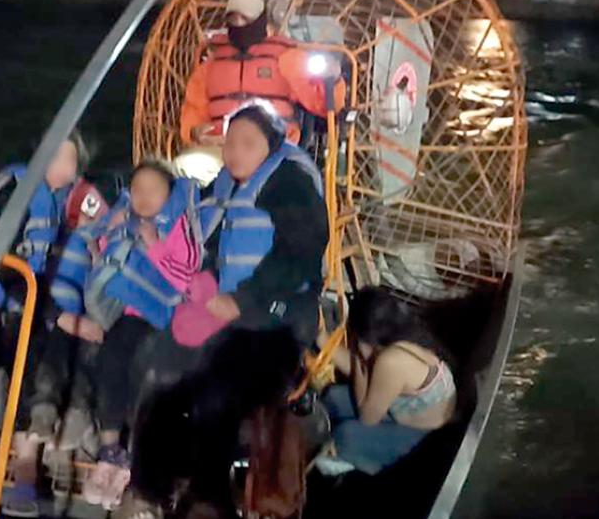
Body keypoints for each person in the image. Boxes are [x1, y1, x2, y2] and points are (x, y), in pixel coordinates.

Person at [122, 102, 330, 518]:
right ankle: (147, 485)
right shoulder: (228, 183)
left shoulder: (288, 182)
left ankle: (208, 498)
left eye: (248, 144)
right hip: (225, 317)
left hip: (277, 323)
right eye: (230, 142)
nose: (235, 152)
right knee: (157, 370)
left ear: (272, 145)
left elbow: (301, 252)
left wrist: (242, 300)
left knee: (217, 393)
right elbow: (206, 237)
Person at [0, 133, 107, 516]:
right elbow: (6, 258)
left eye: (70, 160)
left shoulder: (61, 201)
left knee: (29, 368)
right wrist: (55, 315)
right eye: (55, 156)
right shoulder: (16, 186)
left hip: (19, 303)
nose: (62, 166)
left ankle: (25, 470)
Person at [55, 160, 202, 510]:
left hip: (166, 314)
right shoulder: (125, 222)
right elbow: (111, 261)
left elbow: (187, 279)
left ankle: (137, 460)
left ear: (169, 194)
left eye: (153, 190)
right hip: (130, 314)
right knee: (110, 358)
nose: (144, 198)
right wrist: (102, 243)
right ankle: (109, 451)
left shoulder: (179, 226)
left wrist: (153, 245)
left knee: (147, 370)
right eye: (137, 191)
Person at [318, 287, 457, 475]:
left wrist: (359, 358)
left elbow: (368, 418)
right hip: (405, 410)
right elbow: (363, 374)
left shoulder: (391, 361)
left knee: (345, 436)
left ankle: (359, 462)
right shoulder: (401, 335)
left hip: (425, 435)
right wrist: (322, 340)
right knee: (333, 398)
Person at [179, 0, 343, 147]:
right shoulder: (211, 66)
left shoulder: (287, 58)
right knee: (187, 165)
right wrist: (195, 133)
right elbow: (193, 116)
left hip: (275, 148)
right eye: (233, 19)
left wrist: (334, 80)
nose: (239, 24)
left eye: (245, 19)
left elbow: (324, 105)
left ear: (260, 20)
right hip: (221, 147)